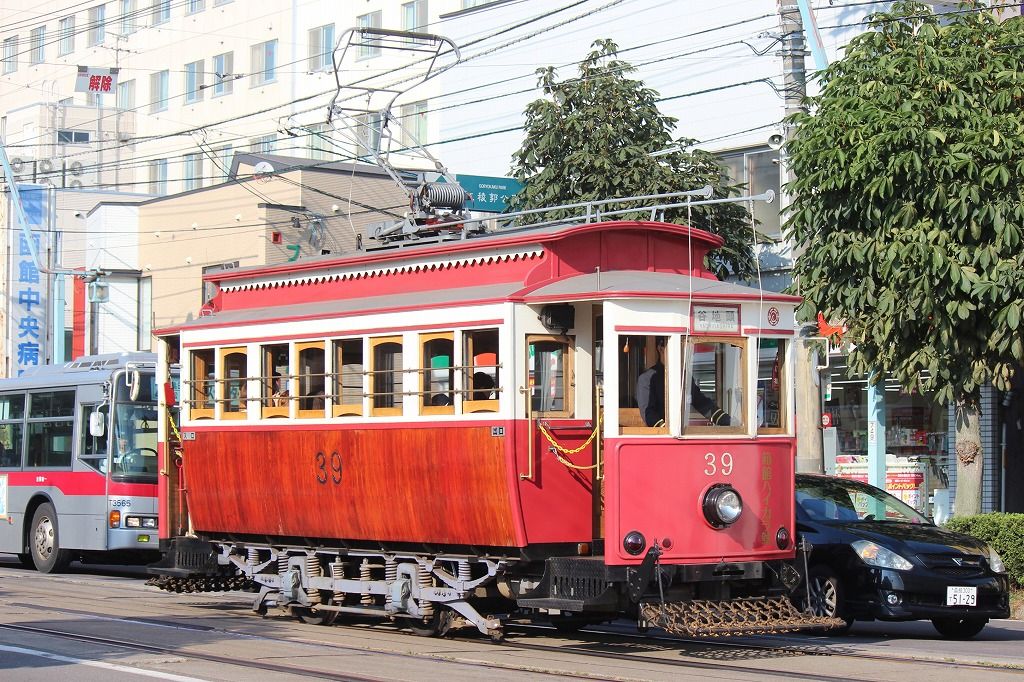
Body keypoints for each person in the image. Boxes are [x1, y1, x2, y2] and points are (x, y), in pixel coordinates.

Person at [636, 339, 666, 427]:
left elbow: (699, 401)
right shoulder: (646, 378)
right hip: (663, 436)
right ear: (660, 348)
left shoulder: (683, 375)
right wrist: (665, 428)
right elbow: (648, 413)